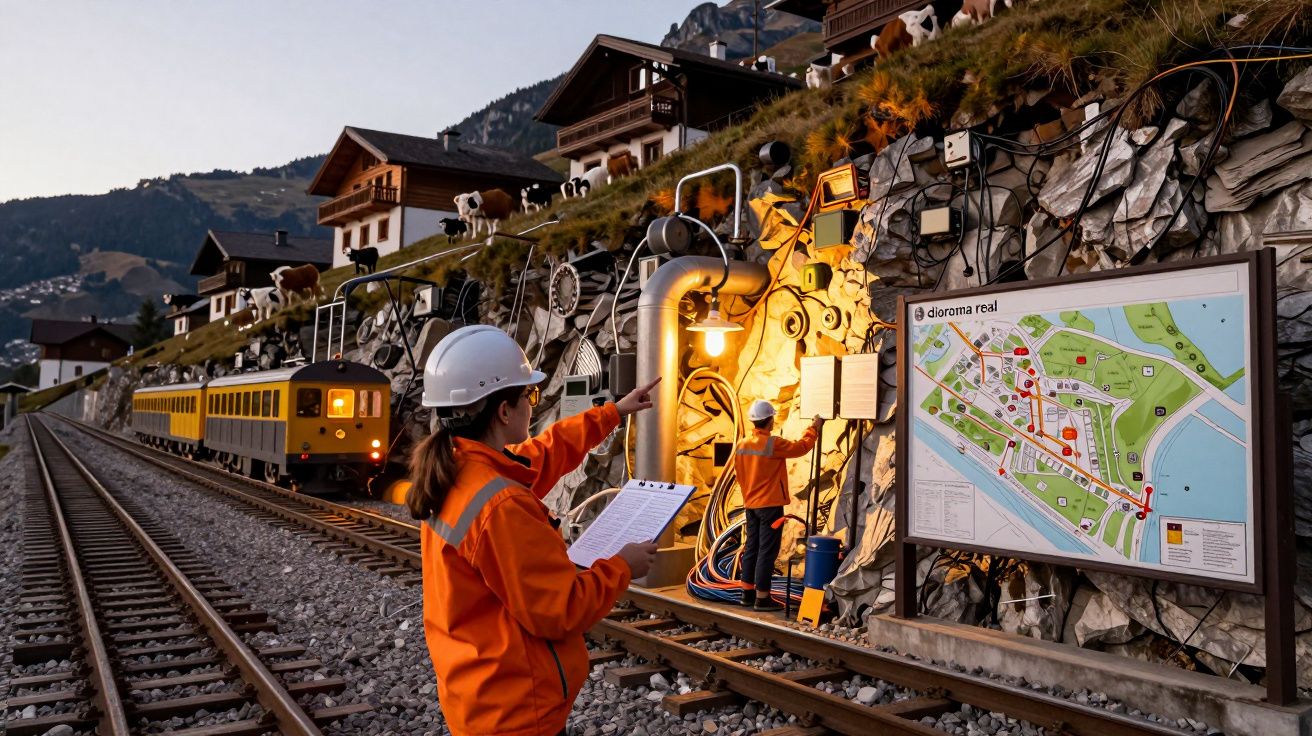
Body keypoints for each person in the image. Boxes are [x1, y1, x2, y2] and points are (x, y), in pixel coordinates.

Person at [408, 325, 661, 736]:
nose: (532, 403)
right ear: (504, 412)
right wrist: (622, 567)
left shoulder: (459, 467)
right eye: (529, 395)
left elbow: (543, 454)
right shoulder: (500, 505)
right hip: (516, 711)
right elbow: (560, 611)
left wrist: (613, 412)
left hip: (478, 691)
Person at [733, 400, 822, 612]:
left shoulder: (742, 444)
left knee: (752, 547)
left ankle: (747, 593)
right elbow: (801, 447)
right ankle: (762, 598)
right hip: (770, 506)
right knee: (767, 550)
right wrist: (814, 428)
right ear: (770, 420)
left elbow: (739, 474)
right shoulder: (773, 443)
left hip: (751, 504)